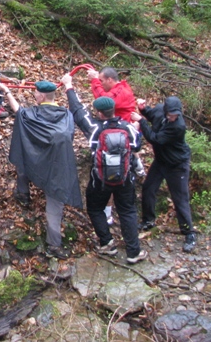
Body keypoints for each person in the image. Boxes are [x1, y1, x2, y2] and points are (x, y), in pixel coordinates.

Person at [61, 74, 148, 264]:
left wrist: (69, 87)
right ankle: (133, 252)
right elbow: (138, 146)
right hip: (125, 179)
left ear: (100, 113)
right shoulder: (129, 129)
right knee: (127, 211)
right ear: (113, 110)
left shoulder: (95, 128)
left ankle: (107, 243)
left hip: (100, 180)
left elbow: (78, 112)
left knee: (94, 208)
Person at [0, 80, 83, 260]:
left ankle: (23, 194)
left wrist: (7, 92)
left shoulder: (33, 114)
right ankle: (54, 244)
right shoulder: (66, 115)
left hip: (38, 162)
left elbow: (18, 112)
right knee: (55, 205)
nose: (34, 95)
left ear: (42, 96)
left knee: (23, 159)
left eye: (36, 93)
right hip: (58, 164)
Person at [131, 96, 197, 253]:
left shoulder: (178, 126)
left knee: (180, 199)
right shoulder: (161, 110)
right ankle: (148, 220)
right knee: (148, 188)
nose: (173, 117)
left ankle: (189, 233)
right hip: (161, 161)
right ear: (166, 110)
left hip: (177, 165)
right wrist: (143, 109)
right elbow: (152, 114)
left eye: (176, 114)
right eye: (171, 114)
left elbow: (155, 139)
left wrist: (141, 121)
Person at [87, 67, 144, 223]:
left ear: (110, 80)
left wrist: (94, 80)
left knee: (112, 174)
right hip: (118, 137)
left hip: (121, 140)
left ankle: (108, 213)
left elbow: (104, 98)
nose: (101, 83)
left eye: (102, 81)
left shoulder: (120, 92)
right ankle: (108, 213)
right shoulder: (120, 88)